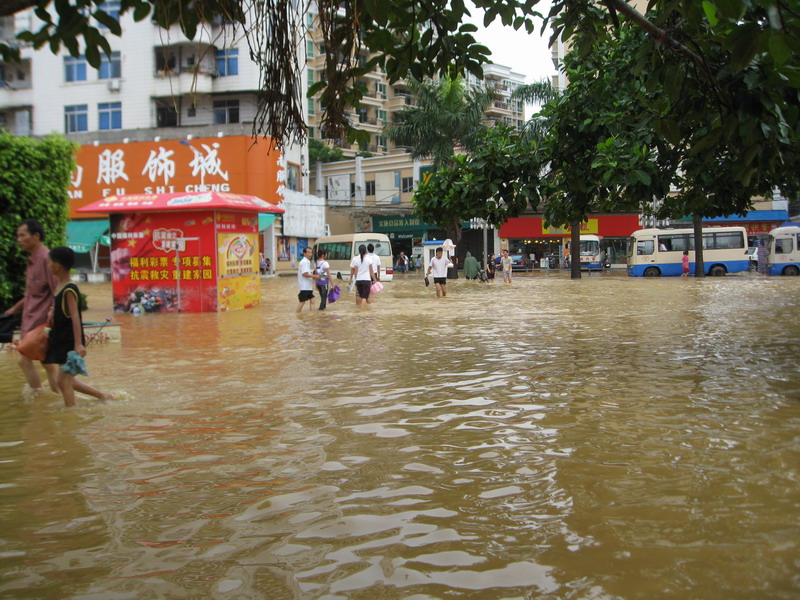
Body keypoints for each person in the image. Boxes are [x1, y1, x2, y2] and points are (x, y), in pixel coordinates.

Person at [44, 247, 112, 407]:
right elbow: (63, 311)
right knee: (68, 380)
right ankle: (103, 396)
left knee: (63, 381)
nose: (47, 265)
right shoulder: (60, 286)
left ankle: (70, 414)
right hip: (61, 339)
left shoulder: (69, 288)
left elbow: (75, 317)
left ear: (57, 266)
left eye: (49, 262)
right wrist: (53, 311)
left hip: (70, 341)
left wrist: (78, 344)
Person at [4, 219, 60, 393]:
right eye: (17, 236)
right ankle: (57, 397)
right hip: (30, 322)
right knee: (45, 362)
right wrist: (14, 309)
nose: (19, 240)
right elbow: (31, 295)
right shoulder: (32, 261)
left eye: (22, 235)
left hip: (42, 323)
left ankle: (42, 395)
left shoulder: (47, 259)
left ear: (35, 236)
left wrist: (53, 313)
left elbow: (58, 289)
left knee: (29, 360)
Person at [297, 247, 320, 312]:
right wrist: (315, 276)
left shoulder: (307, 262)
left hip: (307, 286)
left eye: (311, 252)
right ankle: (297, 314)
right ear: (304, 253)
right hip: (304, 286)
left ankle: (312, 315)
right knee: (302, 302)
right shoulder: (304, 262)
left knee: (312, 300)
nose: (310, 254)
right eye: (309, 252)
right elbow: (304, 274)